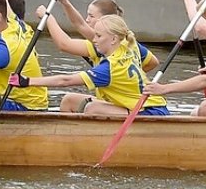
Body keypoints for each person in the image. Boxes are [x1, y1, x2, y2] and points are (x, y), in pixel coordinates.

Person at [9, 13, 168, 117]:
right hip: (133, 105)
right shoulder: (129, 44)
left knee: (92, 109)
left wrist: (27, 81)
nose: (94, 40)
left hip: (150, 111)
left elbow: (66, 81)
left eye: (98, 36)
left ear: (113, 39)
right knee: (69, 100)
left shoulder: (109, 68)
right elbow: (153, 62)